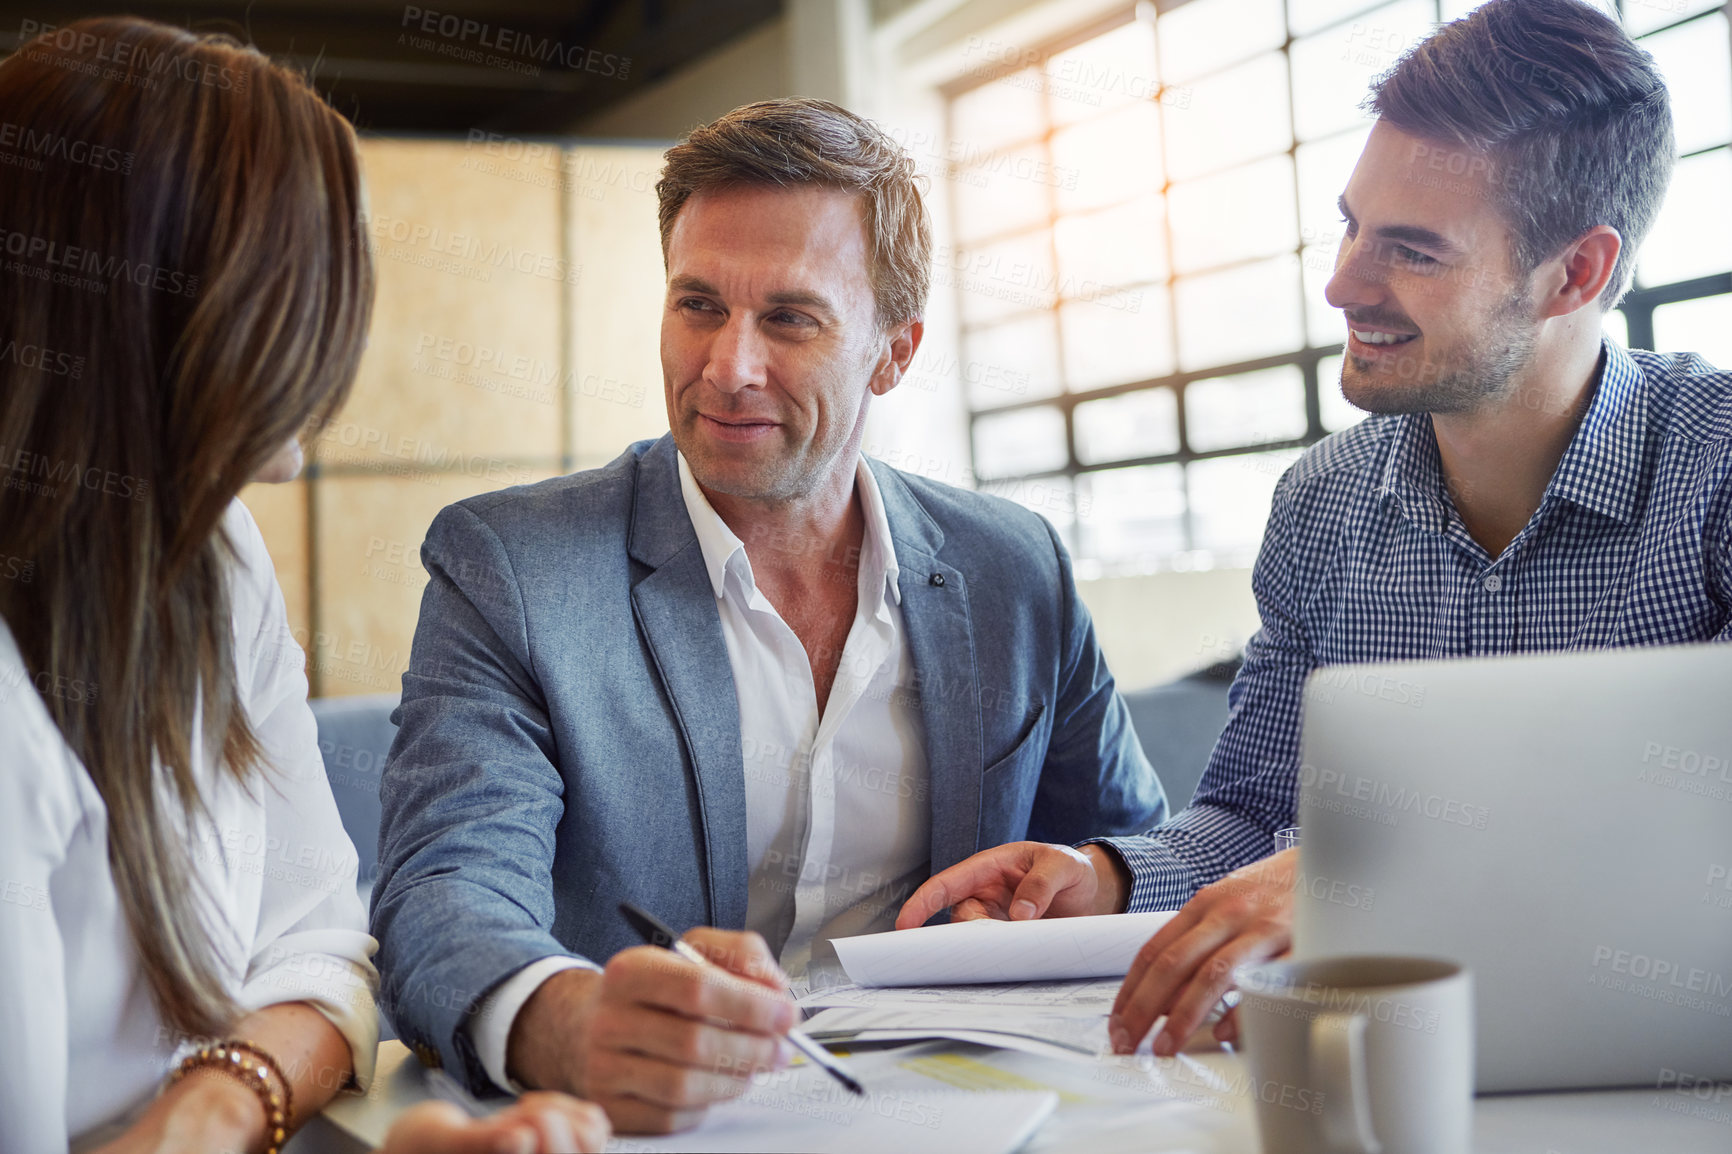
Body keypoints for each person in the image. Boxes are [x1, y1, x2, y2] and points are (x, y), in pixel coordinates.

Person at [898, 0, 1730, 1060]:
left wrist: (1379, 879)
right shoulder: (1320, 503)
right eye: (1350, 225)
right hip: (1361, 1071)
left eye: (1412, 253)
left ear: (1575, 273)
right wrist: (1103, 877)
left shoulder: (1716, 465)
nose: (1341, 284)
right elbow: (1254, 812)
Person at [370, 97, 1166, 1132]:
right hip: (651, 1120)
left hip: (958, 1111)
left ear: (894, 351)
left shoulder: (1012, 567)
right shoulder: (514, 568)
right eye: (697, 304)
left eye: (789, 318)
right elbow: (442, 893)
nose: (726, 367)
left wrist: (1069, 891)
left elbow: (1133, 849)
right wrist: (570, 1021)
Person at [0, 18, 606, 1153]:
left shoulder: (212, 548)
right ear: (164, 299)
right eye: (306, 275)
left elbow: (326, 939)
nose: (337, 329)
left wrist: (222, 1097)